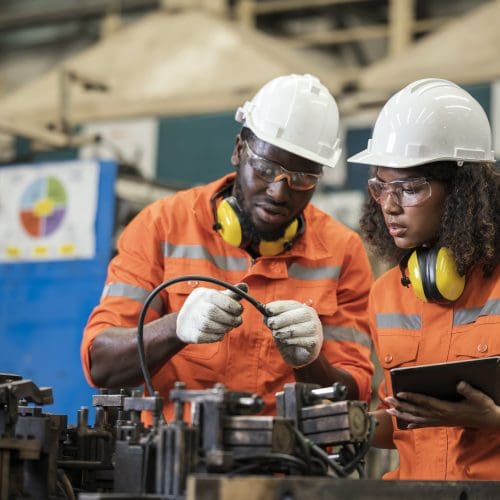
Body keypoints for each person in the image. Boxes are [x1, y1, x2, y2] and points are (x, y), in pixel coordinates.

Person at [81, 73, 374, 422]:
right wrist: (175, 327)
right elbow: (102, 364)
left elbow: (354, 395)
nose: (279, 192)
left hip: (288, 466)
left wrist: (311, 361)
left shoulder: (342, 252)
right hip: (174, 462)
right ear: (238, 150)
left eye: (302, 178)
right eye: (266, 168)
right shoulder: (161, 227)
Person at [348, 77, 500, 479]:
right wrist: (347, 425)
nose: (391, 206)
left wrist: (494, 418)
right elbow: (401, 423)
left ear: (463, 192)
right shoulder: (387, 295)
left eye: (411, 188)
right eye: (381, 187)